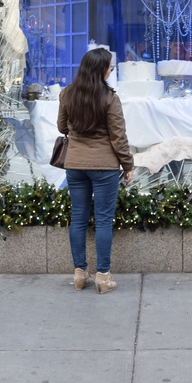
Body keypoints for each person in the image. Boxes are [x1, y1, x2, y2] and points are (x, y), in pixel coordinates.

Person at [56, 48, 133, 294]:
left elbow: (62, 127)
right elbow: (118, 137)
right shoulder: (109, 98)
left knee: (78, 218)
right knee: (103, 220)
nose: (111, 71)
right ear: (101, 70)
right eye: (110, 67)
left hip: (75, 165)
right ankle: (103, 276)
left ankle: (80, 274)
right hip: (104, 166)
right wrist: (128, 165)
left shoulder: (67, 94)